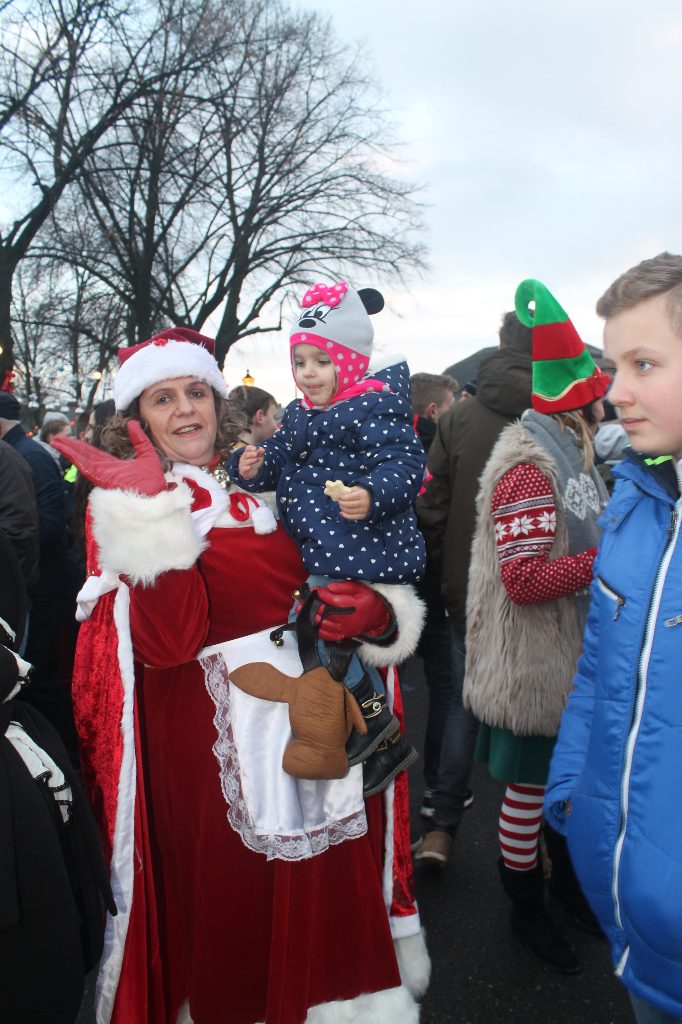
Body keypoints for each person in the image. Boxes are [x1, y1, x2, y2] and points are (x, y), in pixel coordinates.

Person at [53, 326, 429, 1024]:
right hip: (207, 757)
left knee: (331, 906)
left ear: (218, 399)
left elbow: (358, 564)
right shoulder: (127, 499)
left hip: (322, 727)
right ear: (136, 419)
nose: (185, 410)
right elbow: (168, 643)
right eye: (162, 399)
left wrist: (377, 610)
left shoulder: (278, 472)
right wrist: (145, 514)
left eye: (196, 391)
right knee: (236, 916)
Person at [545, 252, 682, 1023]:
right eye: (613, 363)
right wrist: (574, 795)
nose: (614, 390)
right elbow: (597, 671)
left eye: (643, 363)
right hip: (631, 917)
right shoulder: (633, 501)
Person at [463, 279, 609, 973]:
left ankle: (569, 892)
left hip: (573, 658)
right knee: (526, 797)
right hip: (533, 670)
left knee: (570, 789)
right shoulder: (529, 463)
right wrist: (609, 560)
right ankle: (526, 908)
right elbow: (523, 583)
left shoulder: (573, 448)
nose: (610, 397)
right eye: (599, 385)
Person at [231, 282, 426, 792]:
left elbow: (405, 465)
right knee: (321, 641)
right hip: (326, 545)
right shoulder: (298, 414)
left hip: (359, 547)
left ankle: (378, 729)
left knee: (321, 632)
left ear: (350, 361)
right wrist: (249, 464)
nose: (308, 374)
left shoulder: (372, 406)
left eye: (321, 360)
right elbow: (278, 463)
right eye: (300, 362)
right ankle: (379, 732)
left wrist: (370, 494)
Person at [413, 310, 533, 862]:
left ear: (499, 343)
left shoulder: (457, 418)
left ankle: (442, 820)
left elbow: (432, 504)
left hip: (469, 582)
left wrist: (445, 566)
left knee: (462, 702)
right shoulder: (559, 412)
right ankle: (536, 836)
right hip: (540, 585)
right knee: (539, 701)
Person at [408, 372, 458, 820]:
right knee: (445, 690)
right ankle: (438, 791)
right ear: (434, 411)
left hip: (397, 592)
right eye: (453, 402)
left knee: (386, 692)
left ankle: (379, 787)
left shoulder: (379, 444)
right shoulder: (438, 453)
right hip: (433, 587)